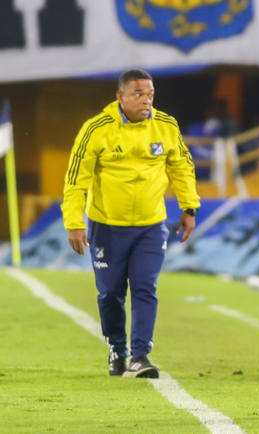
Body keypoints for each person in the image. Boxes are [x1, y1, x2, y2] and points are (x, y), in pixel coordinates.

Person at [62, 69, 201, 378]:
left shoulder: (165, 126)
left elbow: (182, 166)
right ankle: (116, 348)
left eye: (150, 94)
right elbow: (75, 181)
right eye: (138, 94)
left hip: (151, 226)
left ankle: (140, 355)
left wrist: (189, 207)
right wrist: (74, 222)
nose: (146, 101)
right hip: (107, 226)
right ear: (120, 97)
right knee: (110, 293)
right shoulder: (96, 130)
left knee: (144, 287)